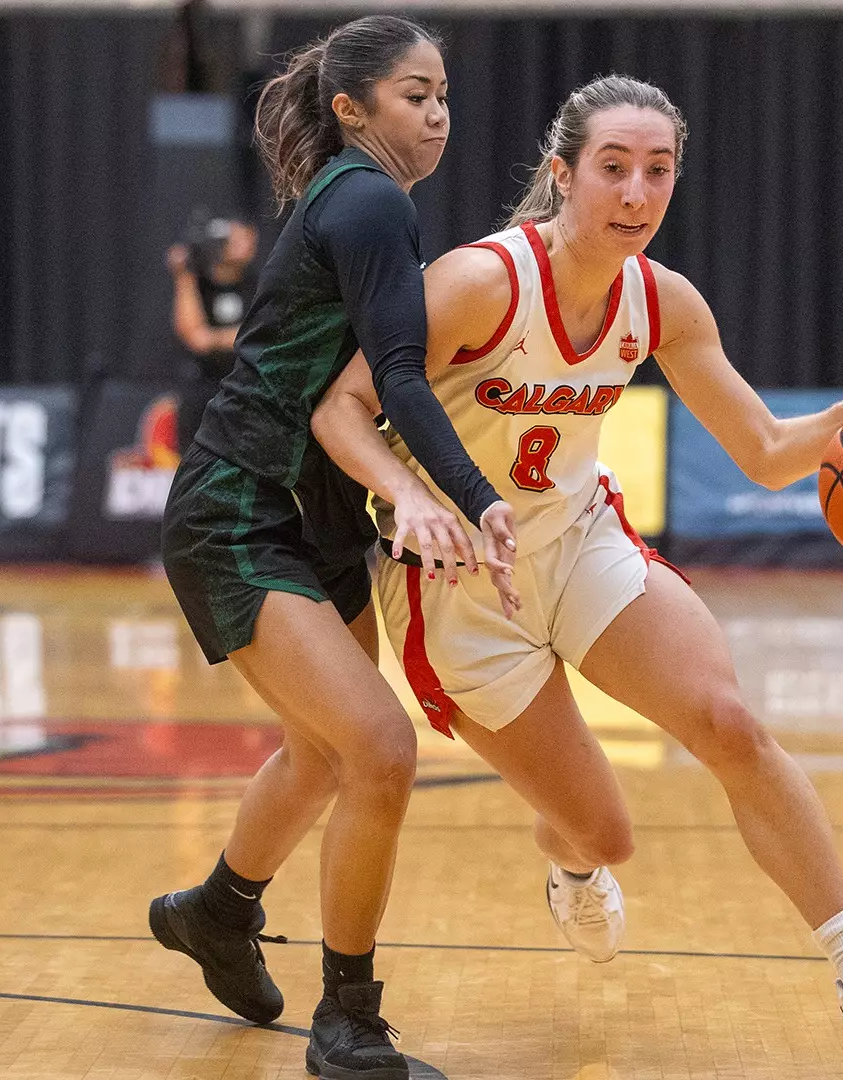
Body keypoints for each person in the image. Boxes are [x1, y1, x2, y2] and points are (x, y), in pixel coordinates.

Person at [310, 75, 843, 1055]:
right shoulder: (480, 283)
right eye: (614, 168)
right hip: (461, 586)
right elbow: (341, 407)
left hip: (580, 538)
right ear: (562, 174)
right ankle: (574, 865)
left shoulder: (661, 300)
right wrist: (405, 497)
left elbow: (763, 450)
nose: (636, 193)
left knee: (730, 725)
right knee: (603, 835)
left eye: (658, 171)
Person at [147, 18, 519, 1080]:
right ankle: (346, 1021)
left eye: (443, 94)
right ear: (352, 109)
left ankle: (219, 910)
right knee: (379, 750)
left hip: (312, 511)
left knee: (323, 751)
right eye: (414, 95)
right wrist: (469, 496)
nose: (437, 114)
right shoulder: (367, 199)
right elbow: (397, 376)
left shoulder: (362, 201)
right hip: (239, 504)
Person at [166, 217, 258, 451]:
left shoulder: (259, 284)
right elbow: (194, 337)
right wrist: (184, 275)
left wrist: (215, 338)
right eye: (228, 240)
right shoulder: (199, 284)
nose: (238, 245)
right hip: (204, 387)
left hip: (246, 389)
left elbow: (260, 332)